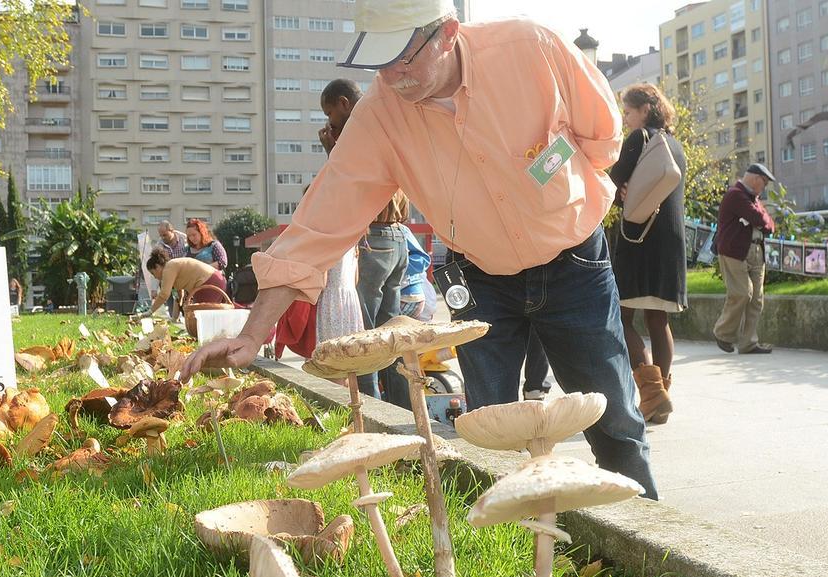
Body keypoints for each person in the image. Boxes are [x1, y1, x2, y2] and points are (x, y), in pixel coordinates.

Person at [181, 0, 658, 499]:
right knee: (485, 430)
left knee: (616, 420)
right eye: (380, 61)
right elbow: (319, 223)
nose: (395, 76)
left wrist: (554, 180)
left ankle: (650, 562)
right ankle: (510, 559)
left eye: (405, 57)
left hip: (576, 262)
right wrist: (254, 332)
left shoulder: (531, 47)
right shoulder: (379, 115)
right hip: (481, 279)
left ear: (448, 33)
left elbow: (601, 133)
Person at [321, 78, 411, 410]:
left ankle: (373, 414)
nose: (330, 123)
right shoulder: (384, 119)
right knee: (392, 336)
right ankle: (403, 409)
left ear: (344, 103)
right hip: (398, 238)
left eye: (331, 113)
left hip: (375, 238)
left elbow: (349, 186)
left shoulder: (359, 130)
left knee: (367, 338)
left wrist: (333, 153)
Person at [608, 83, 688, 423]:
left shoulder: (638, 138)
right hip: (671, 240)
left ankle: (653, 394)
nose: (625, 118)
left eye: (628, 111)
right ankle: (662, 396)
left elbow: (612, 182)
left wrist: (618, 187)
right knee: (659, 318)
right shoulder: (675, 145)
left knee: (622, 315)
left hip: (640, 238)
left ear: (645, 109)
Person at [713, 164, 776, 355]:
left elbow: (770, 225)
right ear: (755, 178)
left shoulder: (753, 199)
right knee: (742, 292)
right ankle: (723, 333)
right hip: (734, 251)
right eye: (763, 183)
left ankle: (748, 343)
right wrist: (761, 218)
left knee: (756, 299)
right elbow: (757, 217)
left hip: (757, 250)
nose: (763, 187)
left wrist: (762, 218)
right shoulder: (736, 194)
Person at [144, 247, 226, 317]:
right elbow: (179, 294)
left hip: (209, 281)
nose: (154, 277)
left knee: (203, 317)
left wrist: (150, 311)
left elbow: (164, 294)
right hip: (213, 280)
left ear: (157, 267)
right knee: (207, 315)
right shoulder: (172, 267)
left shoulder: (168, 268)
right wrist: (174, 318)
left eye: (153, 273)